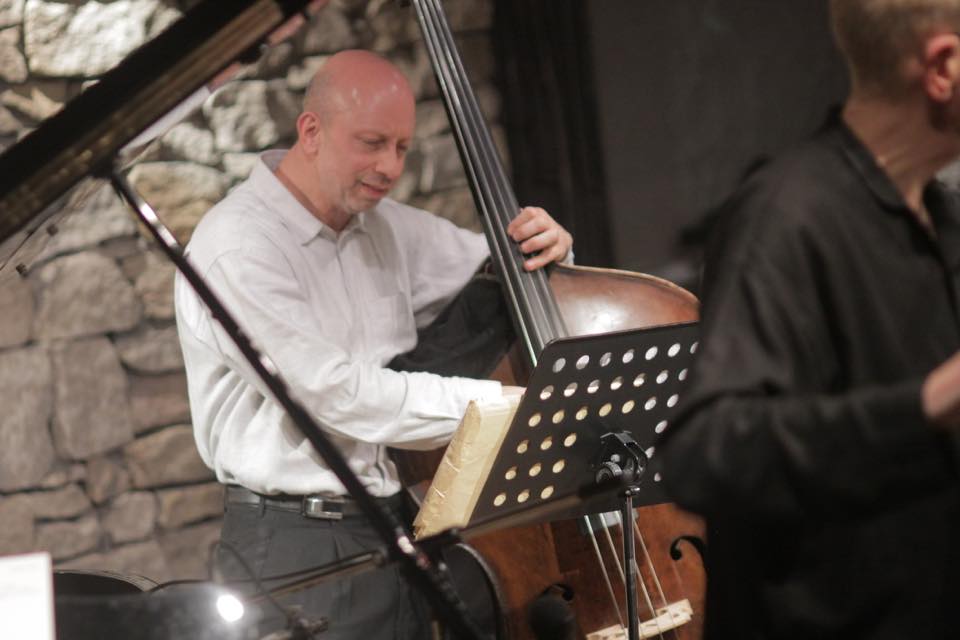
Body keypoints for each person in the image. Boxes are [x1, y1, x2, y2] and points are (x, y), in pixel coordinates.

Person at [174, 49, 572, 638]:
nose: (390, 166)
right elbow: (335, 394)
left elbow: (502, 269)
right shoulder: (239, 245)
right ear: (311, 131)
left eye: (402, 148)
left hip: (394, 525)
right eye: (372, 143)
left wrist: (550, 245)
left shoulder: (384, 227)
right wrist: (499, 408)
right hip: (297, 541)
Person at [657, 1, 960, 638]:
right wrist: (927, 406)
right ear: (943, 67)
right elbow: (705, 453)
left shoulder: (945, 217)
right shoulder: (786, 217)